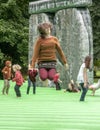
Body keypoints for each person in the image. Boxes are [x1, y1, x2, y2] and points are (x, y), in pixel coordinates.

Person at [30, 22, 69, 90]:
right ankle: (42, 77)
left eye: (48, 27)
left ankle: (53, 77)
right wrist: (32, 66)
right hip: (42, 62)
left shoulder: (54, 39)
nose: (48, 29)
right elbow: (35, 54)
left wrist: (65, 62)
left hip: (52, 62)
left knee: (51, 77)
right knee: (44, 77)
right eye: (45, 28)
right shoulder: (39, 40)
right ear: (42, 31)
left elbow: (60, 51)